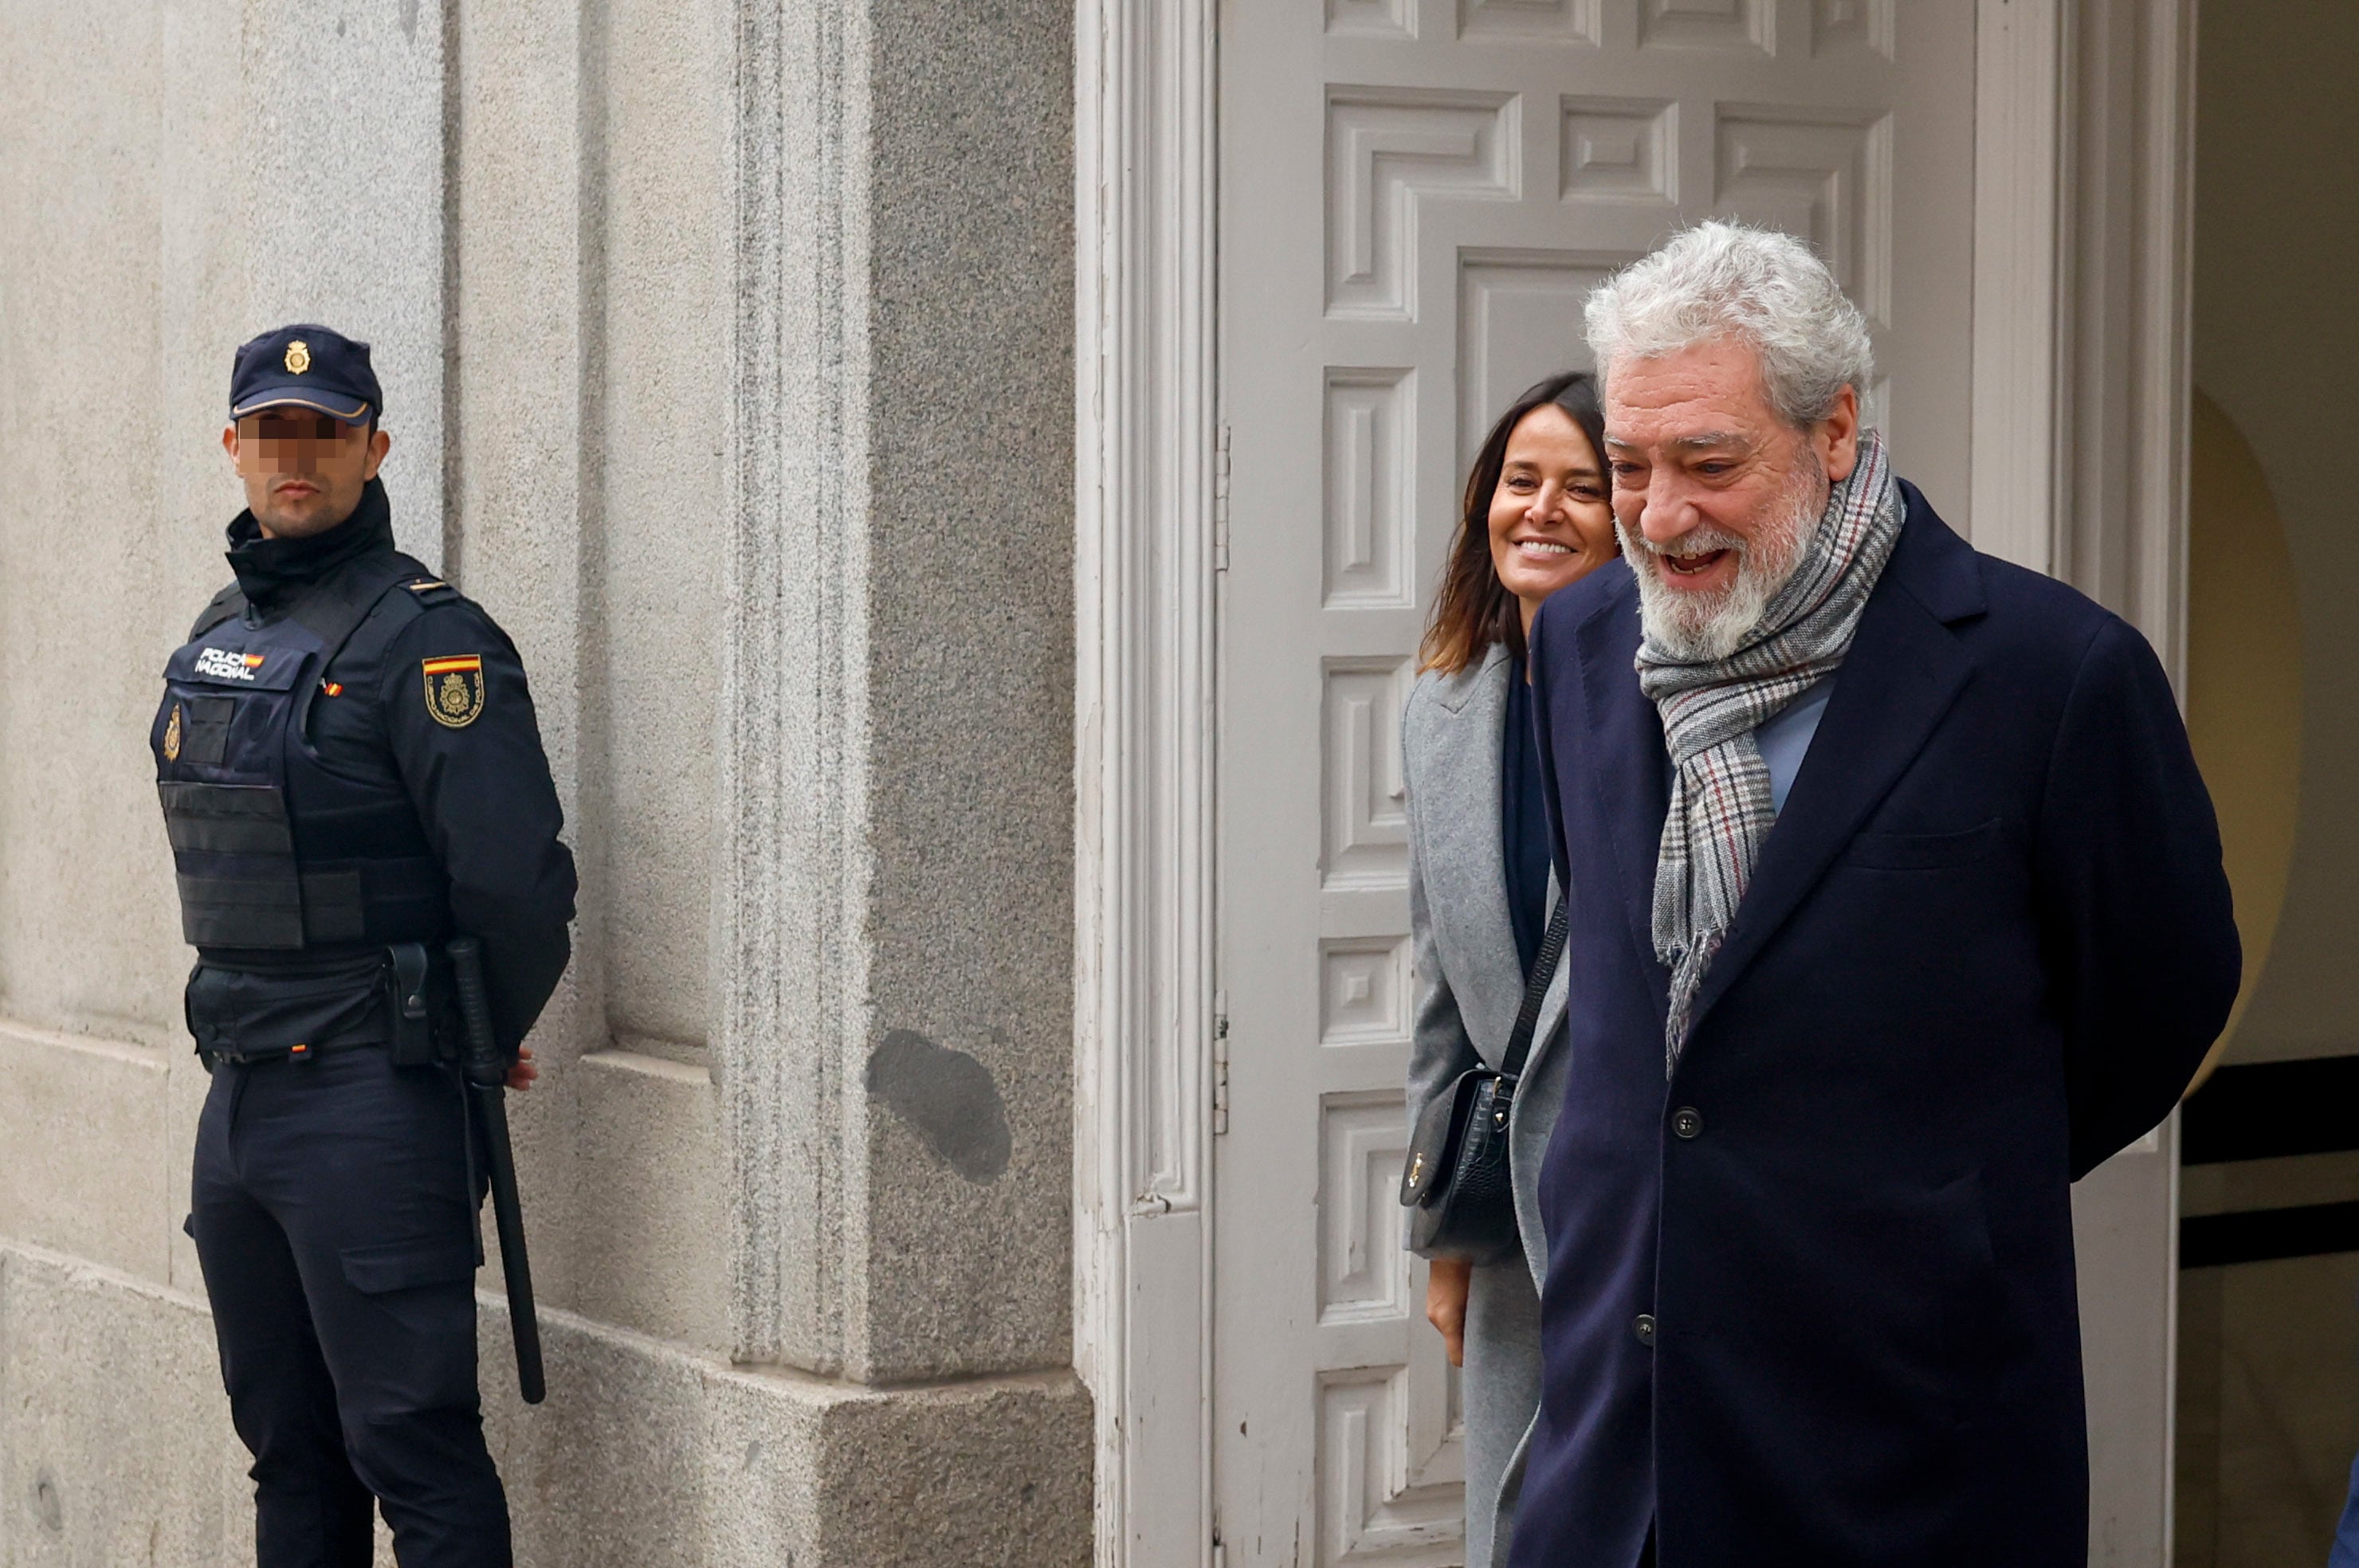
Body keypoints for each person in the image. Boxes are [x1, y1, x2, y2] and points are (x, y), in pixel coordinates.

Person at [1511, 223, 2241, 1567]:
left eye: (1709, 464)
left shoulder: (2054, 676)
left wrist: (1934, 1185)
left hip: (1905, 1455)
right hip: (1616, 1450)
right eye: (1631, 465)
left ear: (1834, 431)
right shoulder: (1577, 638)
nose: (1659, 516)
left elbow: (2161, 1000)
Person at [155, 324, 576, 1567]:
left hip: (369, 1103)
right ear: (235, 448)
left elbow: (518, 885)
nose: (302, 456)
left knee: (414, 1450)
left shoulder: (430, 641)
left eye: (329, 431)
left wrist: (477, 1037)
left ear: (374, 447)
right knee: (291, 1454)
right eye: (276, 431)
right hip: (238, 1103)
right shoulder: (225, 624)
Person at [1404, 371, 1616, 1568]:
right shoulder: (1443, 706)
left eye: (1581, 487)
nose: (1540, 509)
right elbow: (1441, 989)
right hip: (1511, 1221)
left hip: (1643, 1196)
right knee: (1517, 1526)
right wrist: (1445, 1240)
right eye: (1519, 480)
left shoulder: (1669, 709)